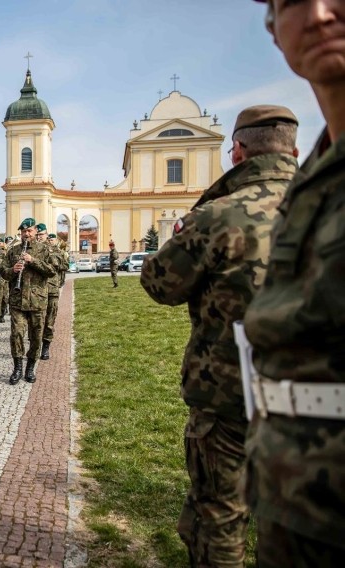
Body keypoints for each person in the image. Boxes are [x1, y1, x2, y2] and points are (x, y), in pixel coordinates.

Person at [141, 102, 300, 566]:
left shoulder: (219, 216)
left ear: (236, 151)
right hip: (323, 399)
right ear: (294, 149)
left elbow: (160, 284)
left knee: (221, 518)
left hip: (232, 394)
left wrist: (181, 234)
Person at [243, 2, 345, 566]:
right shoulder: (312, 173)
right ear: (276, 34)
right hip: (295, 500)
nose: (321, 14)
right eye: (293, 3)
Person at [3, 218, 55, 384]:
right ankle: (17, 367)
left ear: (35, 232)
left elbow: (52, 271)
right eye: (24, 231)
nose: (26, 234)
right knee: (17, 334)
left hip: (37, 301)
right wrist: (13, 270)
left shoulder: (44, 250)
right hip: (18, 300)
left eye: (30, 231)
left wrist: (33, 261)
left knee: (36, 336)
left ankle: (30, 367)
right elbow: (3, 272)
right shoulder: (13, 251)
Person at [39, 229, 65, 360]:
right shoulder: (32, 250)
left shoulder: (55, 251)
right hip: (36, 291)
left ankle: (45, 347)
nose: (40, 237)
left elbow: (61, 265)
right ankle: (36, 346)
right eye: (37, 234)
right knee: (37, 321)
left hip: (51, 290)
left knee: (49, 320)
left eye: (42, 235)